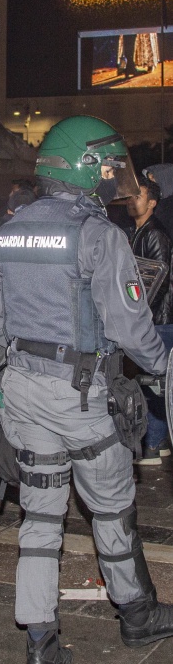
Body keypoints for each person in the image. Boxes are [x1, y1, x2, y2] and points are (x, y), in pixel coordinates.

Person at [0, 115, 173, 664]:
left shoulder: (9, 231)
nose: (115, 177)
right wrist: (163, 371)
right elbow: (134, 329)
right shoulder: (100, 235)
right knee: (110, 508)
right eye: (110, 166)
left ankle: (40, 643)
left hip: (22, 391)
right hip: (81, 395)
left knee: (40, 517)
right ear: (88, 168)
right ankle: (137, 615)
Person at [126, 176, 173, 465]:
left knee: (156, 381)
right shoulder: (138, 231)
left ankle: (155, 443)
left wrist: (141, 315)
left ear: (152, 202)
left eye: (139, 196)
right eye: (131, 196)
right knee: (151, 381)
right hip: (152, 318)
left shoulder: (154, 233)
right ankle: (157, 441)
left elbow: (158, 278)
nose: (132, 200)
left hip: (159, 320)